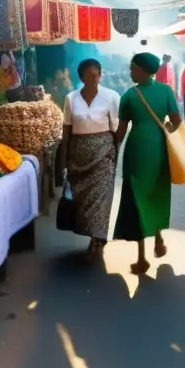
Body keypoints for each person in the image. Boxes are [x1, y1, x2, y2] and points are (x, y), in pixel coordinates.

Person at [115, 52, 183, 275]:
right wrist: (165, 132)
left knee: (137, 199)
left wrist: (107, 147)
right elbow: (177, 122)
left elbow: (120, 133)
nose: (130, 72)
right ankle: (159, 239)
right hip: (159, 151)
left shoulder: (129, 96)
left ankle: (141, 258)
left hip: (136, 153)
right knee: (156, 193)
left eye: (133, 68)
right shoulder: (165, 91)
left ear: (144, 69)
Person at [61, 59, 121, 258]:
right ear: (82, 77)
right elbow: (67, 131)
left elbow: (116, 129)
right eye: (91, 74)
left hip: (103, 155)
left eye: (97, 74)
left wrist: (113, 151)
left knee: (101, 198)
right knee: (83, 201)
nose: (96, 77)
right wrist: (65, 160)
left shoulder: (111, 97)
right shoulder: (71, 99)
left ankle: (98, 238)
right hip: (78, 158)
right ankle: (93, 234)